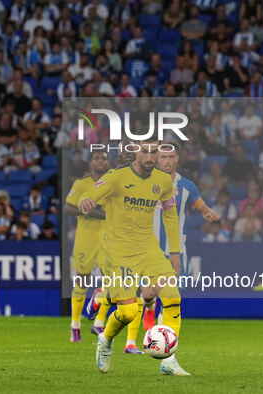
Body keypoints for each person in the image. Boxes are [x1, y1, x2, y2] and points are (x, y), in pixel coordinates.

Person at [78, 134, 188, 375]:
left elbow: (170, 215)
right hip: (118, 252)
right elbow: (90, 195)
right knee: (127, 312)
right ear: (135, 151)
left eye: (154, 152)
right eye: (145, 151)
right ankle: (105, 341)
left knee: (172, 296)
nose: (150, 157)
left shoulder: (163, 181)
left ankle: (168, 360)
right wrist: (86, 201)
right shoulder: (117, 177)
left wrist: (175, 252)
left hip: (148, 249)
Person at [143, 142, 219, 355]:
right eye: (163, 157)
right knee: (149, 294)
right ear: (157, 159)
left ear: (177, 159)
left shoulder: (187, 186)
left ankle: (166, 353)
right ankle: (148, 307)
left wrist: (209, 213)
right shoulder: (147, 182)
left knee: (172, 299)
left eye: (171, 157)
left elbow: (201, 206)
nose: (167, 161)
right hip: (150, 251)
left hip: (177, 253)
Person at [64, 151, 110, 343]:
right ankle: (75, 325)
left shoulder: (113, 182)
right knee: (82, 280)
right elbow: (67, 208)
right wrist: (91, 211)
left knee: (112, 280)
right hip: (85, 238)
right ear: (91, 163)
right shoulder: (81, 184)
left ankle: (99, 323)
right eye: (97, 158)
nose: (101, 161)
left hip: (108, 239)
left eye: (104, 158)